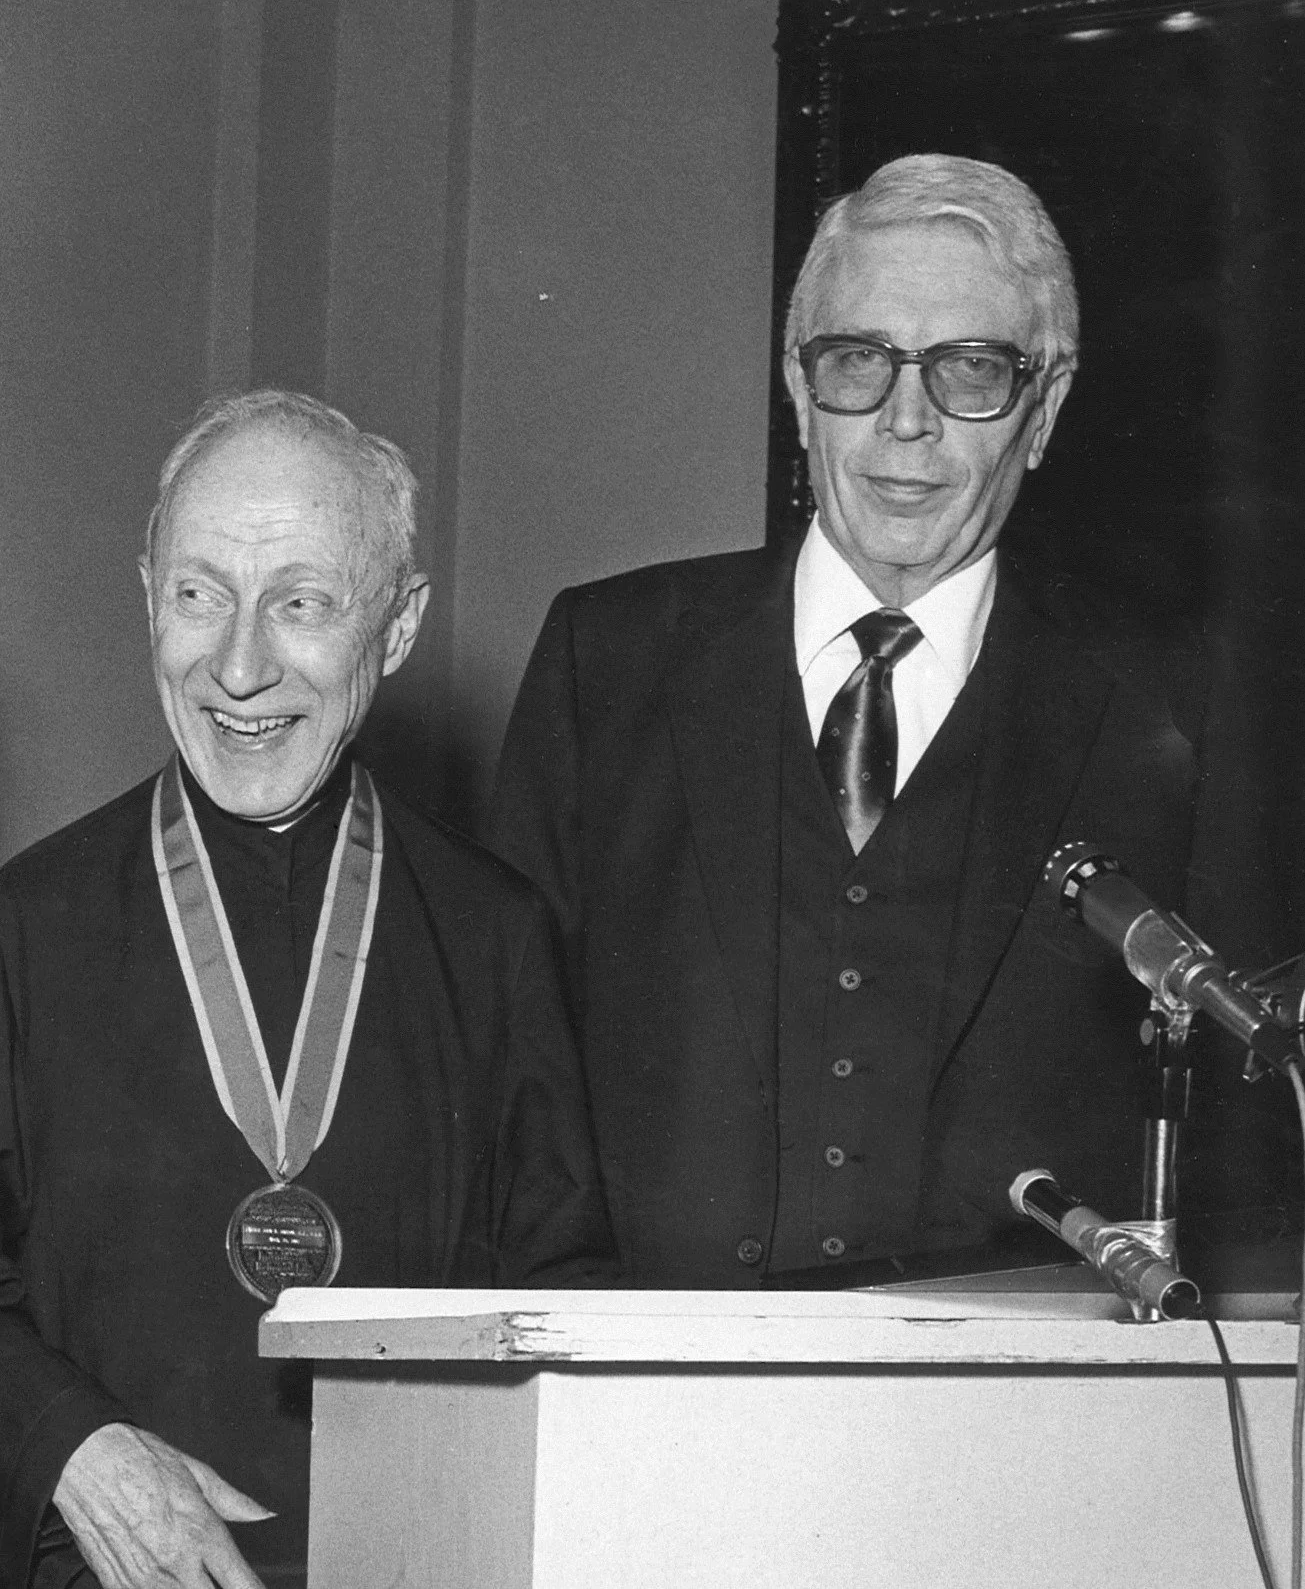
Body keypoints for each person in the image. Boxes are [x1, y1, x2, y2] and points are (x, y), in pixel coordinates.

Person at [489, 153, 1287, 1290]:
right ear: (794, 385)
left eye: (969, 370)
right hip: (641, 1423)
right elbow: (518, 1094)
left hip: (1017, 1430)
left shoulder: (1176, 705)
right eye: (857, 360)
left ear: (1045, 408)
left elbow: (1240, 1159)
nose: (904, 421)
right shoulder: (605, 661)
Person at [0, 390, 612, 1589]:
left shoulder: (500, 939)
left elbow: (560, 1303)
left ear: (395, 628)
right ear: (147, 597)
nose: (238, 663)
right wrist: (77, 1450)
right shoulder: (21, 923)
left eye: (303, 601)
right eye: (199, 592)